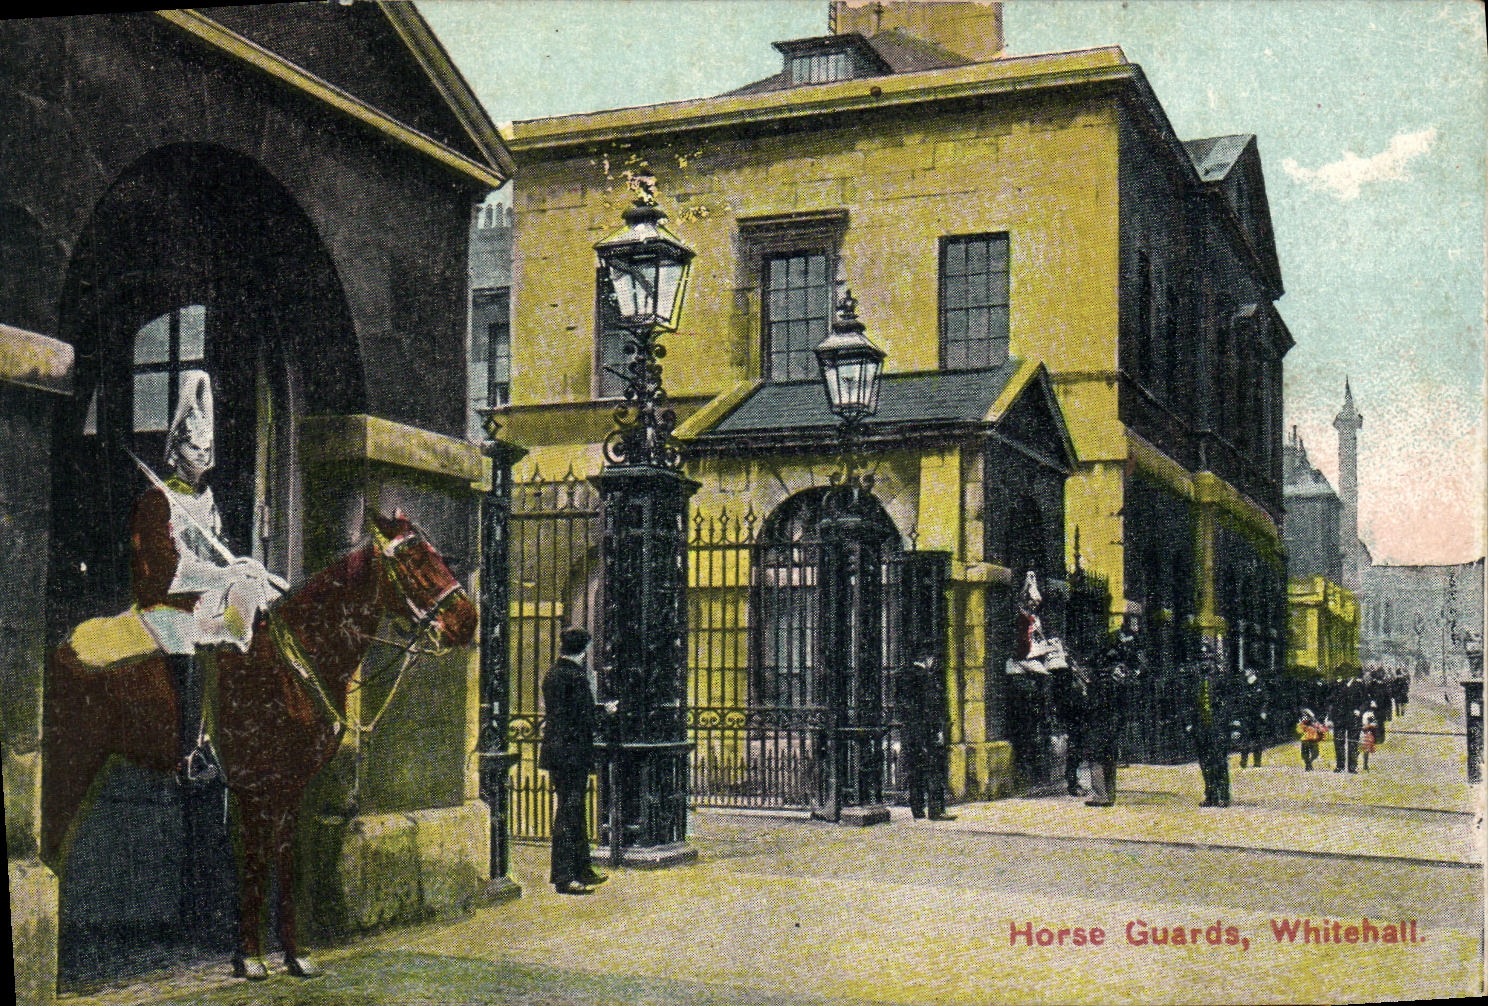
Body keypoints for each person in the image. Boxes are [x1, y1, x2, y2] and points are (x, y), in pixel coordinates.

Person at [130, 372, 274, 784]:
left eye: (208, 449)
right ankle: (189, 751)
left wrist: (243, 567)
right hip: (167, 601)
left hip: (204, 594)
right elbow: (168, 571)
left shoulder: (207, 501)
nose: (203, 456)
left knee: (254, 604)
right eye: (195, 447)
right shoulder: (155, 502)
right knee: (189, 643)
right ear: (175, 451)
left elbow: (217, 551)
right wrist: (223, 574)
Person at [540, 627, 615, 894]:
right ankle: (564, 876)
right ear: (583, 650)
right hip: (573, 754)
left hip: (557, 752)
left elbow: (566, 712)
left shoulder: (553, 673)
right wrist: (606, 711)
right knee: (569, 812)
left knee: (573, 810)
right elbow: (585, 718)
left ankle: (583, 868)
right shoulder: (577, 677)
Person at [1084, 616, 1140, 807]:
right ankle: (1110, 794)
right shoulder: (1123, 679)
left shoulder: (1102, 680)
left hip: (1101, 719)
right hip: (1115, 719)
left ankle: (1100, 794)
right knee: (1109, 755)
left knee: (1096, 755)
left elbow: (1093, 701)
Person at [897, 650, 954, 820]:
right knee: (933, 769)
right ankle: (936, 810)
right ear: (927, 659)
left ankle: (917, 809)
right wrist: (937, 730)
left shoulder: (901, 676)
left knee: (914, 771)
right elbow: (932, 707)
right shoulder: (926, 678)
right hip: (926, 732)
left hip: (909, 732)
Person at [1188, 638, 1231, 807]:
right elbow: (1191, 703)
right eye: (1201, 659)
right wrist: (1190, 723)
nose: (1204, 662)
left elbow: (1228, 703)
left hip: (1217, 726)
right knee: (1205, 762)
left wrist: (1228, 724)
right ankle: (1211, 794)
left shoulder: (1220, 680)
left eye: (1207, 659)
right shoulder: (1196, 681)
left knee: (1219, 760)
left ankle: (1224, 794)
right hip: (1201, 727)